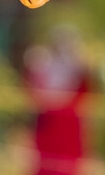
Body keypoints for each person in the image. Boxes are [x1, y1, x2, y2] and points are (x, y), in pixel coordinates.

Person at [24, 29, 90, 175]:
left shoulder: (77, 68)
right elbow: (32, 90)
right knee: (46, 162)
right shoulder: (42, 64)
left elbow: (84, 93)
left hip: (67, 126)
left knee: (67, 164)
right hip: (48, 123)